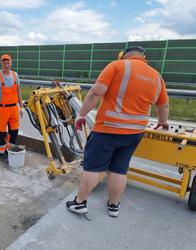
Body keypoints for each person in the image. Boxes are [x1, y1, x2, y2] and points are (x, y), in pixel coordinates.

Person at [66, 46, 169, 217]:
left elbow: (95, 92)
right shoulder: (157, 77)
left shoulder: (117, 66)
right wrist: (162, 122)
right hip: (134, 133)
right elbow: (163, 104)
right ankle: (114, 206)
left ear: (124, 56)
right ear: (144, 57)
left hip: (108, 129)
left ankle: (79, 203)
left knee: (92, 168)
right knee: (119, 170)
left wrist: (81, 114)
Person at [0, 54, 24, 163]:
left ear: (11, 63)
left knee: (14, 132)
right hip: (2, 109)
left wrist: (21, 107)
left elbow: (18, 92)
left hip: (14, 108)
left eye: (8, 62)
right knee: (1, 133)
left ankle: (8, 149)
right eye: (4, 62)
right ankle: (2, 153)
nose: (6, 64)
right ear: (1, 63)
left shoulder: (15, 75)